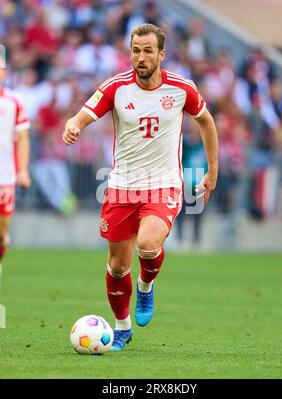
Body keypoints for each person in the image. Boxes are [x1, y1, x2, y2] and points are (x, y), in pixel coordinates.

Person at [62, 23, 218, 351]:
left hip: (164, 184)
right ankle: (122, 328)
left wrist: (211, 170)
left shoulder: (181, 89)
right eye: (136, 50)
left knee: (147, 245)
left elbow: (206, 121)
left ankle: (146, 286)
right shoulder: (115, 87)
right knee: (118, 267)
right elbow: (83, 115)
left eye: (148, 51)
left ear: (161, 54)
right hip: (121, 186)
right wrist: (73, 126)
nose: (141, 57)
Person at [0, 68, 31, 273]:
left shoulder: (13, 101)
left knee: (2, 230)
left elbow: (22, 138)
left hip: (5, 174)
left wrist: (23, 171)